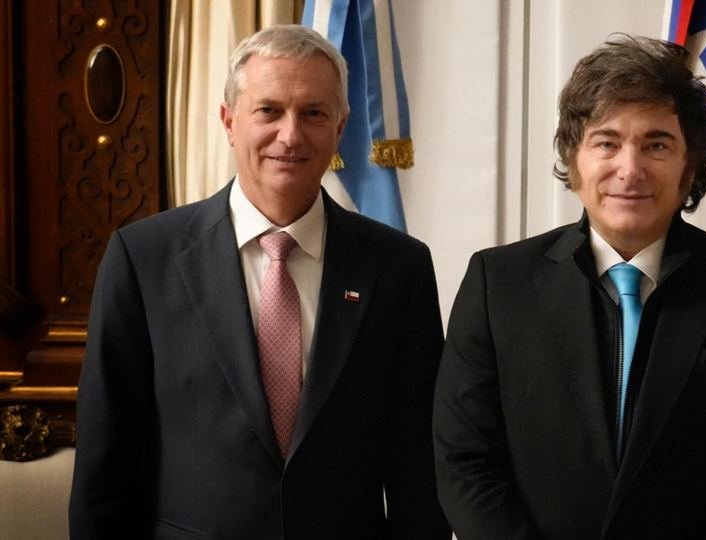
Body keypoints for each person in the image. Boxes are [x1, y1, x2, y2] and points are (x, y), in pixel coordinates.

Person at [70, 24, 450, 539]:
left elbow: (417, 467)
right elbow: (105, 461)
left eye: (313, 113)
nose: (290, 135)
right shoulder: (143, 259)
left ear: (341, 128)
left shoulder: (398, 267)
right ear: (229, 122)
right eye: (268, 110)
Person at [433, 35, 706, 539]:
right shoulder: (497, 283)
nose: (629, 169)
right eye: (607, 142)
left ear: (690, 166)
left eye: (656, 144)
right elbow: (464, 462)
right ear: (574, 162)